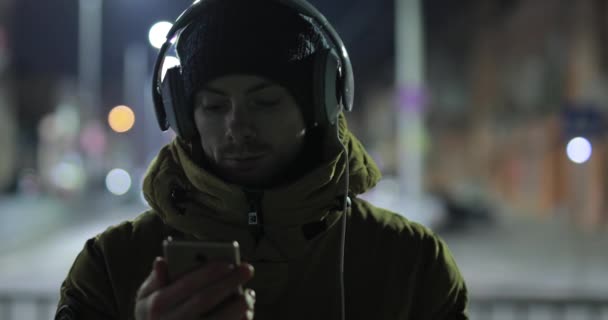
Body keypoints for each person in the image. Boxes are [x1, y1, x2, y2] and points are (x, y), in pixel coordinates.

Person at [55, 0, 469, 319]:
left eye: (266, 103)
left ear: (319, 108)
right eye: (215, 108)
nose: (237, 129)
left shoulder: (411, 263)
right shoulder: (109, 266)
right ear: (183, 115)